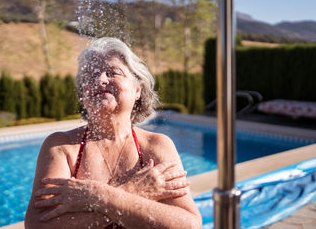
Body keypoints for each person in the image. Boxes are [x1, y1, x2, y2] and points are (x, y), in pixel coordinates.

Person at [24, 37, 202, 228]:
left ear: (137, 90)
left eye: (112, 73)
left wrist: (96, 196)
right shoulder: (62, 146)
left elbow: (188, 224)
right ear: (83, 93)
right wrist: (132, 191)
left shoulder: (156, 145)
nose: (100, 80)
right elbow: (38, 225)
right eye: (91, 76)